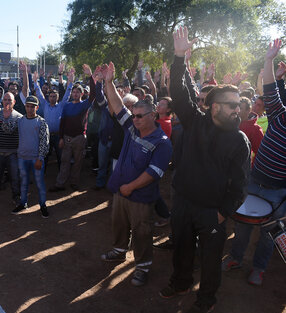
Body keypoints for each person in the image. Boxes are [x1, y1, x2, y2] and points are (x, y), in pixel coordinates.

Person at [159, 27, 250, 313]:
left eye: (239, 106)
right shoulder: (195, 121)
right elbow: (178, 90)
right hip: (184, 203)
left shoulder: (239, 140)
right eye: (231, 106)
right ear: (212, 107)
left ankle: (206, 300)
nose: (237, 110)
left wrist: (222, 212)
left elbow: (240, 186)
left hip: (213, 211)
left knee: (210, 261)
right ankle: (181, 282)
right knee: (182, 251)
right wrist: (178, 57)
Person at [100, 62, 172, 287]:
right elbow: (117, 105)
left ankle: (142, 267)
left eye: (140, 116)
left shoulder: (162, 142)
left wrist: (130, 187)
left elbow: (154, 172)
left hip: (140, 197)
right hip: (121, 192)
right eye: (135, 115)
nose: (136, 119)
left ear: (153, 116)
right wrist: (109, 82)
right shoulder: (131, 128)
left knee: (142, 233)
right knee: (119, 225)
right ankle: (119, 250)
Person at [222, 39, 286, 286]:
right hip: (253, 181)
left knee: (269, 234)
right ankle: (235, 258)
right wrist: (269, 60)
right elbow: (270, 88)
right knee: (243, 224)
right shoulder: (279, 115)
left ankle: (258, 269)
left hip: (278, 192)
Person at [0, 63, 27, 208]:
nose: (7, 102)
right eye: (5, 100)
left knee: (15, 178)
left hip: (13, 153)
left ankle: (16, 197)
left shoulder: (19, 117)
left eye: (10, 100)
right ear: (2, 101)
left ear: (14, 102)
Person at [49, 64, 95, 192]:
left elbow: (94, 95)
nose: (75, 93)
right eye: (73, 92)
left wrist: (90, 76)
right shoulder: (67, 106)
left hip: (79, 138)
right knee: (65, 162)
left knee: (78, 163)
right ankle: (60, 184)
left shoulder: (85, 104)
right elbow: (62, 122)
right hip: (67, 138)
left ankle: (74, 182)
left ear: (82, 93)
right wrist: (62, 137)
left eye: (78, 92)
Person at [2, 95, 50, 217]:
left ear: (37, 107)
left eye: (32, 107)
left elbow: (45, 142)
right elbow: (7, 130)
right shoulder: (20, 120)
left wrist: (40, 158)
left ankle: (43, 205)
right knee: (23, 182)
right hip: (22, 158)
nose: (29, 109)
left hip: (35, 159)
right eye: (27, 106)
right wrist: (6, 118)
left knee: (39, 183)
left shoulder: (41, 122)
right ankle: (23, 203)